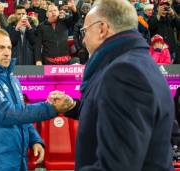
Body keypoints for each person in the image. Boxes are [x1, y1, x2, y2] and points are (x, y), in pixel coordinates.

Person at [48, 0, 175, 170]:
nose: (83, 39)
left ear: (102, 29)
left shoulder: (125, 72)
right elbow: (109, 112)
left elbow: (117, 166)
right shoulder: (137, 62)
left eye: (85, 31)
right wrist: (73, 106)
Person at [0, 28, 70, 171]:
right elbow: (7, 113)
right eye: (1, 47)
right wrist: (51, 108)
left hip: (17, 158)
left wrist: (34, 139)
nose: (7, 52)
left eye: (9, 47)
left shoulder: (13, 79)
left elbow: (20, 114)